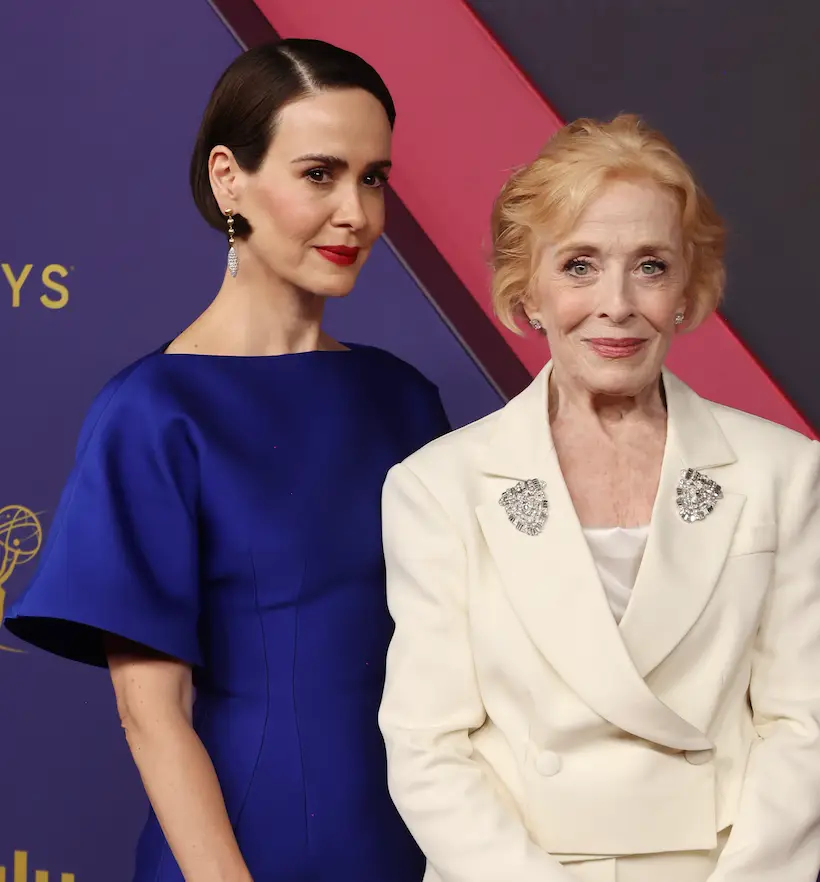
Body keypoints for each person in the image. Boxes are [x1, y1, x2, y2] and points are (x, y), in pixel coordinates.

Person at [4, 38, 448, 882]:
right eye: (320, 173)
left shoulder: (404, 400)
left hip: (415, 850)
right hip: (238, 854)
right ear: (228, 179)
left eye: (374, 177)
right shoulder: (153, 413)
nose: (356, 212)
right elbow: (151, 716)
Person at [378, 114, 820, 882]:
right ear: (526, 288)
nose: (618, 304)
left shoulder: (778, 471)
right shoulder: (437, 487)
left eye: (651, 266)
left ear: (689, 291)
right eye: (580, 265)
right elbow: (426, 745)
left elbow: (802, 726)